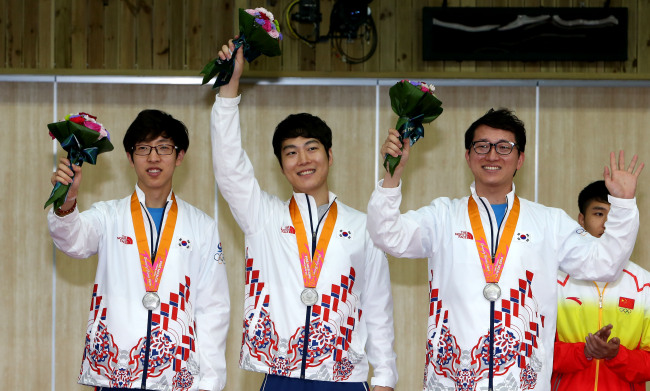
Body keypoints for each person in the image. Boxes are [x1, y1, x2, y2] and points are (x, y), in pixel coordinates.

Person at [367, 108, 643, 391]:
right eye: (482, 146)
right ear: (468, 155)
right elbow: (387, 236)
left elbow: (605, 264)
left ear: (520, 159)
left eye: (504, 147)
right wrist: (392, 178)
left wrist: (622, 206)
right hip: (450, 382)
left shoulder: (549, 222)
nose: (492, 155)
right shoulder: (443, 216)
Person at [210, 40, 397, 391]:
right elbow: (230, 167)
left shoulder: (362, 226)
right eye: (291, 152)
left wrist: (384, 376)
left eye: (312, 148)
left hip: (344, 378)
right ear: (281, 166)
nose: (303, 159)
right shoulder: (262, 217)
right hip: (281, 377)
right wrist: (229, 88)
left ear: (329, 155)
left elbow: (377, 304)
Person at [47, 110, 230, 391]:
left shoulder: (202, 226)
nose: (153, 157)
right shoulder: (108, 216)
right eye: (143, 148)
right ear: (130, 158)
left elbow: (213, 309)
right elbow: (72, 241)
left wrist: (210, 383)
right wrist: (67, 199)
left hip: (177, 378)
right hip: (115, 374)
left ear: (179, 156)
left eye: (164, 148)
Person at [552, 180, 650, 390]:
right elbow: (536, 352)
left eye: (615, 216)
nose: (607, 224)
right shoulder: (555, 281)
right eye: (598, 214)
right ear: (581, 220)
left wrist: (616, 355)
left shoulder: (645, 285)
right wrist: (584, 352)